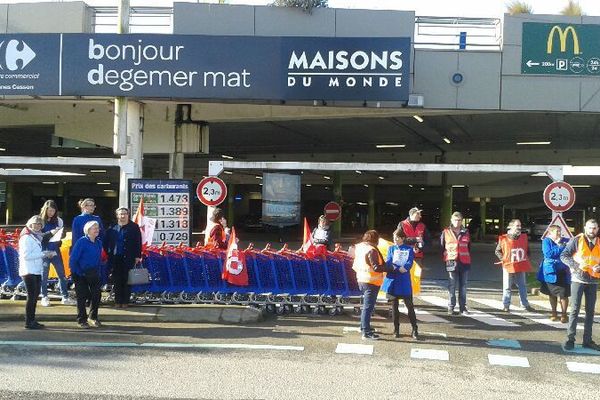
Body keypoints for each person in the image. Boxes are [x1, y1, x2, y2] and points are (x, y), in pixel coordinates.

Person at [561, 219, 600, 351]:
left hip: (593, 281)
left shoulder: (599, 242)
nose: (592, 231)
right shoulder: (577, 240)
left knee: (590, 312)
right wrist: (576, 267)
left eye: (594, 228)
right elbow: (564, 256)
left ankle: (587, 340)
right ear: (585, 228)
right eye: (590, 228)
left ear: (598, 229)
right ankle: (570, 339)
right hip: (578, 280)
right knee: (574, 310)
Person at [18, 216, 58, 329]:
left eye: (40, 225)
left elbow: (34, 253)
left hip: (35, 270)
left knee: (34, 297)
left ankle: (32, 320)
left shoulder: (34, 237)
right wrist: (44, 254)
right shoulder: (26, 238)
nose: (37, 226)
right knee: (31, 297)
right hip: (28, 271)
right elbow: (26, 256)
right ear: (30, 224)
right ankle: (29, 321)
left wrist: (45, 253)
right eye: (35, 224)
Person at [382, 228, 418, 339]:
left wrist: (405, 267)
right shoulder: (391, 248)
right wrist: (393, 267)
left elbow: (410, 261)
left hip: (403, 279)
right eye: (394, 238)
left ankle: (415, 329)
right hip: (393, 278)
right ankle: (396, 329)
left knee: (409, 306)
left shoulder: (409, 249)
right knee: (394, 307)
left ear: (403, 238)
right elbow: (389, 260)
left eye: (397, 238)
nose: (395, 240)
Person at [39, 200, 75, 306]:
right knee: (44, 274)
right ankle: (44, 296)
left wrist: (61, 234)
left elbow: (61, 236)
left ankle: (65, 296)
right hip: (44, 251)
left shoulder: (58, 220)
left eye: (53, 211)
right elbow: (39, 236)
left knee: (62, 274)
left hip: (55, 250)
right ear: (45, 210)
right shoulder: (40, 220)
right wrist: (50, 233)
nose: (51, 213)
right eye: (49, 210)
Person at [104, 207, 142, 309]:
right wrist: (108, 252)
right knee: (116, 280)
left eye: (125, 214)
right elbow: (106, 241)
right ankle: (117, 301)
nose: (123, 216)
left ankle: (125, 301)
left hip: (128, 257)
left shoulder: (134, 227)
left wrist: (138, 256)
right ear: (117, 215)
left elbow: (138, 241)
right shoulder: (112, 227)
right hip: (115, 258)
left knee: (127, 280)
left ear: (128, 215)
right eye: (120, 214)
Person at [352, 230, 386, 340]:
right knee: (368, 307)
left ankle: (364, 327)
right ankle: (366, 331)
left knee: (366, 307)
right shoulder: (372, 250)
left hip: (361, 279)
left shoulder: (361, 247)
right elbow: (376, 267)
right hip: (371, 281)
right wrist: (390, 267)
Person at [495, 219, 535, 312]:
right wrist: (503, 259)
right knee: (507, 286)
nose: (519, 228)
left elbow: (527, 251)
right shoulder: (504, 238)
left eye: (520, 226)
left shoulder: (523, 237)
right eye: (517, 226)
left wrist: (526, 261)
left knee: (522, 285)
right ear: (511, 226)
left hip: (520, 265)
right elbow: (497, 251)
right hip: (508, 266)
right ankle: (506, 305)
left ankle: (525, 304)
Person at [70, 220, 103, 329]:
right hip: (80, 273)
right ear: (88, 230)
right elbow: (73, 260)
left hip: (93, 273)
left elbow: (99, 259)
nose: (97, 230)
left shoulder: (98, 242)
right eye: (94, 228)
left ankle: (93, 317)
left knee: (96, 295)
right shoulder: (82, 242)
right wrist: (78, 273)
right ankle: (81, 319)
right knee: (82, 297)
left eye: (97, 228)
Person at [537, 225, 570, 322]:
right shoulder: (546, 241)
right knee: (552, 293)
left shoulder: (566, 241)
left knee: (564, 294)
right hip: (550, 272)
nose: (559, 234)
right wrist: (560, 247)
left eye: (560, 231)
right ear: (550, 233)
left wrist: (563, 246)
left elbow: (569, 251)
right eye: (557, 232)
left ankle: (564, 314)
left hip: (563, 270)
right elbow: (548, 254)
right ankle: (554, 313)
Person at [441, 212, 472, 316]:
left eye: (459, 220)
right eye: (455, 220)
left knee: (463, 286)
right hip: (451, 261)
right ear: (451, 220)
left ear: (462, 221)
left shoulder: (466, 232)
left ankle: (463, 308)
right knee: (452, 285)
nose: (457, 222)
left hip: (464, 262)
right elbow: (442, 247)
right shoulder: (446, 232)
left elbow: (469, 247)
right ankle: (451, 307)